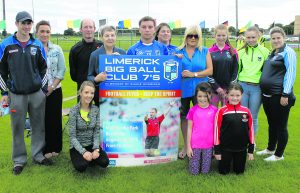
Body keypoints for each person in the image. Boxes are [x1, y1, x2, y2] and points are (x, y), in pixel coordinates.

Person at [0, 11, 51, 175]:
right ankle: (19, 160)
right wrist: (4, 92)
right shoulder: (6, 45)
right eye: (23, 23)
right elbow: (1, 71)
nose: (27, 26)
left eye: (29, 23)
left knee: (38, 126)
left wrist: (43, 90)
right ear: (16, 24)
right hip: (16, 94)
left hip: (36, 94)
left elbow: (45, 69)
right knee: (17, 127)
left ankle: (38, 155)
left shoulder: (37, 45)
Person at [257, 27, 297, 161]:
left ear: (283, 38)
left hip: (280, 95)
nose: (276, 40)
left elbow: (290, 74)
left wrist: (285, 94)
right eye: (273, 38)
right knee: (272, 123)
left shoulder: (288, 52)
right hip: (268, 95)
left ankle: (279, 155)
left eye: (278, 38)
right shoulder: (272, 52)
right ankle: (270, 148)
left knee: (280, 125)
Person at [176, 25, 213, 159]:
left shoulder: (204, 51)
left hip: (201, 91)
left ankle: (202, 146)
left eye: (195, 36)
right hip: (183, 90)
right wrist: (176, 61)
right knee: (184, 118)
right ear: (185, 37)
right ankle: (186, 146)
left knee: (202, 118)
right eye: (190, 35)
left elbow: (210, 71)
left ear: (199, 38)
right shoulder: (178, 51)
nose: (193, 38)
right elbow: (169, 70)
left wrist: (194, 74)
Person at [36, 20, 66, 158]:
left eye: (47, 31)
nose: (45, 34)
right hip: (37, 91)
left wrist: (52, 86)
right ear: (36, 33)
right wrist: (41, 88)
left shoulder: (57, 49)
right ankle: (45, 148)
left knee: (55, 119)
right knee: (41, 120)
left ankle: (56, 147)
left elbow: (62, 69)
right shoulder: (32, 49)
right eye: (42, 31)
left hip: (55, 89)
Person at [68, 81, 109, 172]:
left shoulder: (96, 110)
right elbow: (72, 137)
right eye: (86, 92)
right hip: (77, 146)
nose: (89, 96)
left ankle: (91, 158)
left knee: (105, 162)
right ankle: (84, 158)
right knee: (81, 166)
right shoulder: (73, 111)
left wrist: (96, 149)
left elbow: (96, 132)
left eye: (92, 93)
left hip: (91, 144)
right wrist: (83, 152)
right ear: (80, 93)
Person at [214, 83, 255, 175]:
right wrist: (217, 151)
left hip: (241, 148)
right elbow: (216, 131)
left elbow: (251, 130)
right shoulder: (221, 111)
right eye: (232, 95)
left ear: (242, 95)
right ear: (227, 95)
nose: (235, 98)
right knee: (223, 172)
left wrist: (251, 150)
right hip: (225, 148)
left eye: (238, 95)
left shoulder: (246, 111)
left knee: (239, 172)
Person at [237, 26, 269, 135]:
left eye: (253, 37)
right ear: (245, 37)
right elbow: (237, 70)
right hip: (242, 87)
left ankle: (251, 143)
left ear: (258, 36)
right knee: (243, 116)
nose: (251, 40)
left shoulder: (265, 52)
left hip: (257, 88)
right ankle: (243, 141)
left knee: (253, 117)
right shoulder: (240, 52)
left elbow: (266, 71)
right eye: (248, 37)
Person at [69, 18, 103, 106]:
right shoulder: (75, 49)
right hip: (83, 90)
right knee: (83, 117)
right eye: (85, 27)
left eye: (90, 27)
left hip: (101, 89)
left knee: (103, 117)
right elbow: (73, 74)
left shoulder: (103, 46)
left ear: (94, 29)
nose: (88, 29)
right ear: (81, 29)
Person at [186, 82, 217, 175]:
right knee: (194, 172)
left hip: (208, 145)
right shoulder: (193, 110)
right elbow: (189, 129)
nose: (202, 99)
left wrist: (216, 147)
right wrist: (188, 146)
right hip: (195, 145)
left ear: (210, 95)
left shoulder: (215, 110)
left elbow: (217, 129)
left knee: (205, 172)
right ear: (196, 96)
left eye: (205, 96)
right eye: (200, 96)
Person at [208, 24, 238, 107]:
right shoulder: (209, 51)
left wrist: (229, 87)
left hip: (228, 90)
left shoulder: (233, 51)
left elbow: (235, 71)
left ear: (227, 35)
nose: (221, 37)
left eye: (224, 35)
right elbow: (208, 72)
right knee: (212, 114)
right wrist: (217, 87)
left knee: (226, 115)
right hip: (213, 89)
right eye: (219, 35)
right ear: (214, 36)